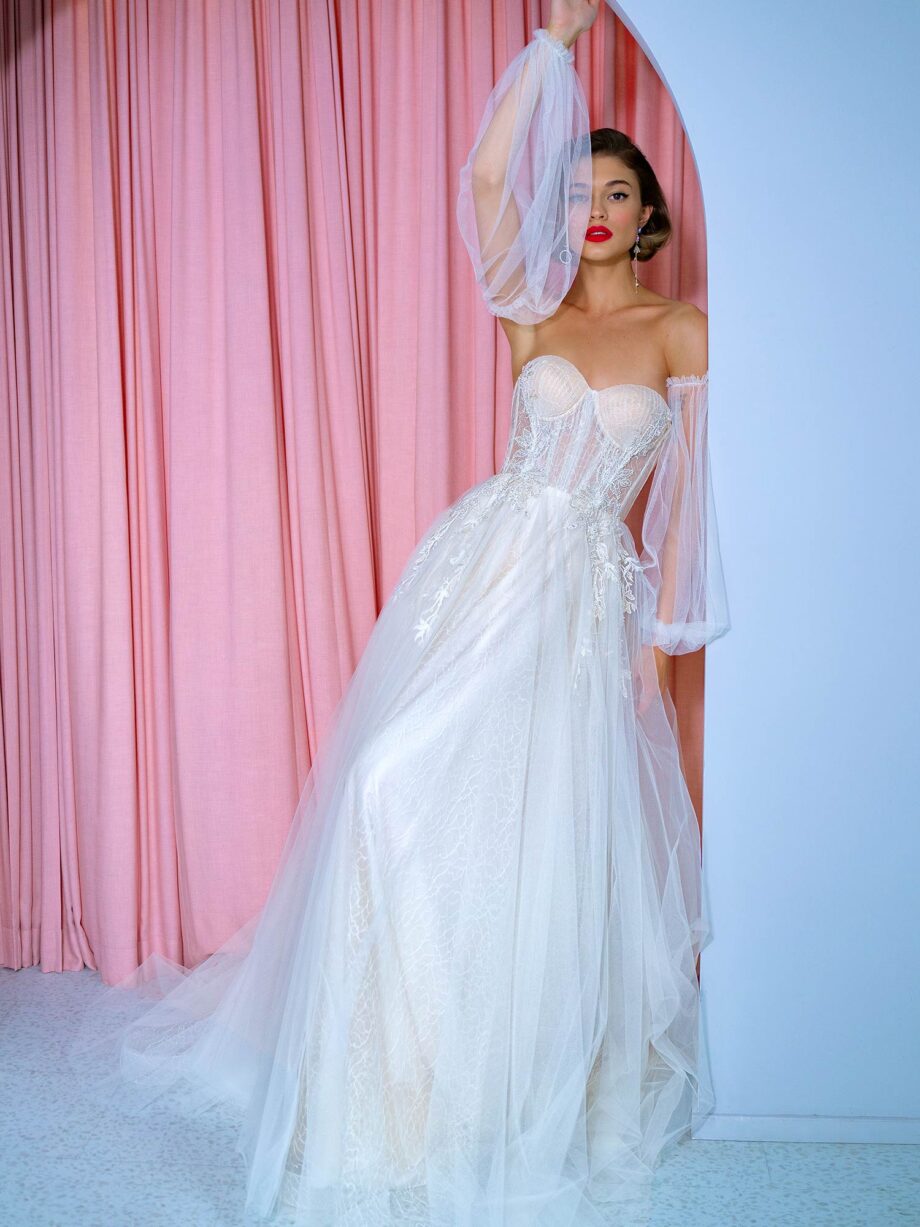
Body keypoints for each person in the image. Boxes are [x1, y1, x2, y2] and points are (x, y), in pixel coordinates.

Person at [68, 5, 731, 1225]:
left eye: (616, 190)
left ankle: (494, 1089)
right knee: (387, 787)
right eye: (577, 187)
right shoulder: (531, 313)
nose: (592, 206)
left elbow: (686, 505)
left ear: (649, 215)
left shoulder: (678, 328)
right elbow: (486, 177)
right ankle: (385, 1084)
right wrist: (551, 50)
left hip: (584, 604)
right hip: (476, 579)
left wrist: (657, 648)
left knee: (539, 840)